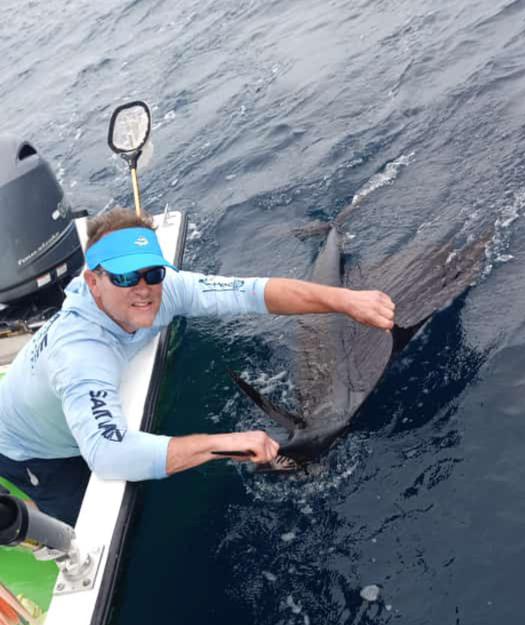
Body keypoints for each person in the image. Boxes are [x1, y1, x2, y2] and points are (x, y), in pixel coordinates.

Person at [0, 208, 394, 525]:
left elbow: (256, 293)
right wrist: (221, 443)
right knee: (76, 527)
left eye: (151, 272)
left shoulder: (164, 290)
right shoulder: (79, 352)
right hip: (33, 449)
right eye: (124, 276)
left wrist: (343, 300)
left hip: (67, 413)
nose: (142, 288)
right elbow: (108, 455)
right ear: (92, 281)